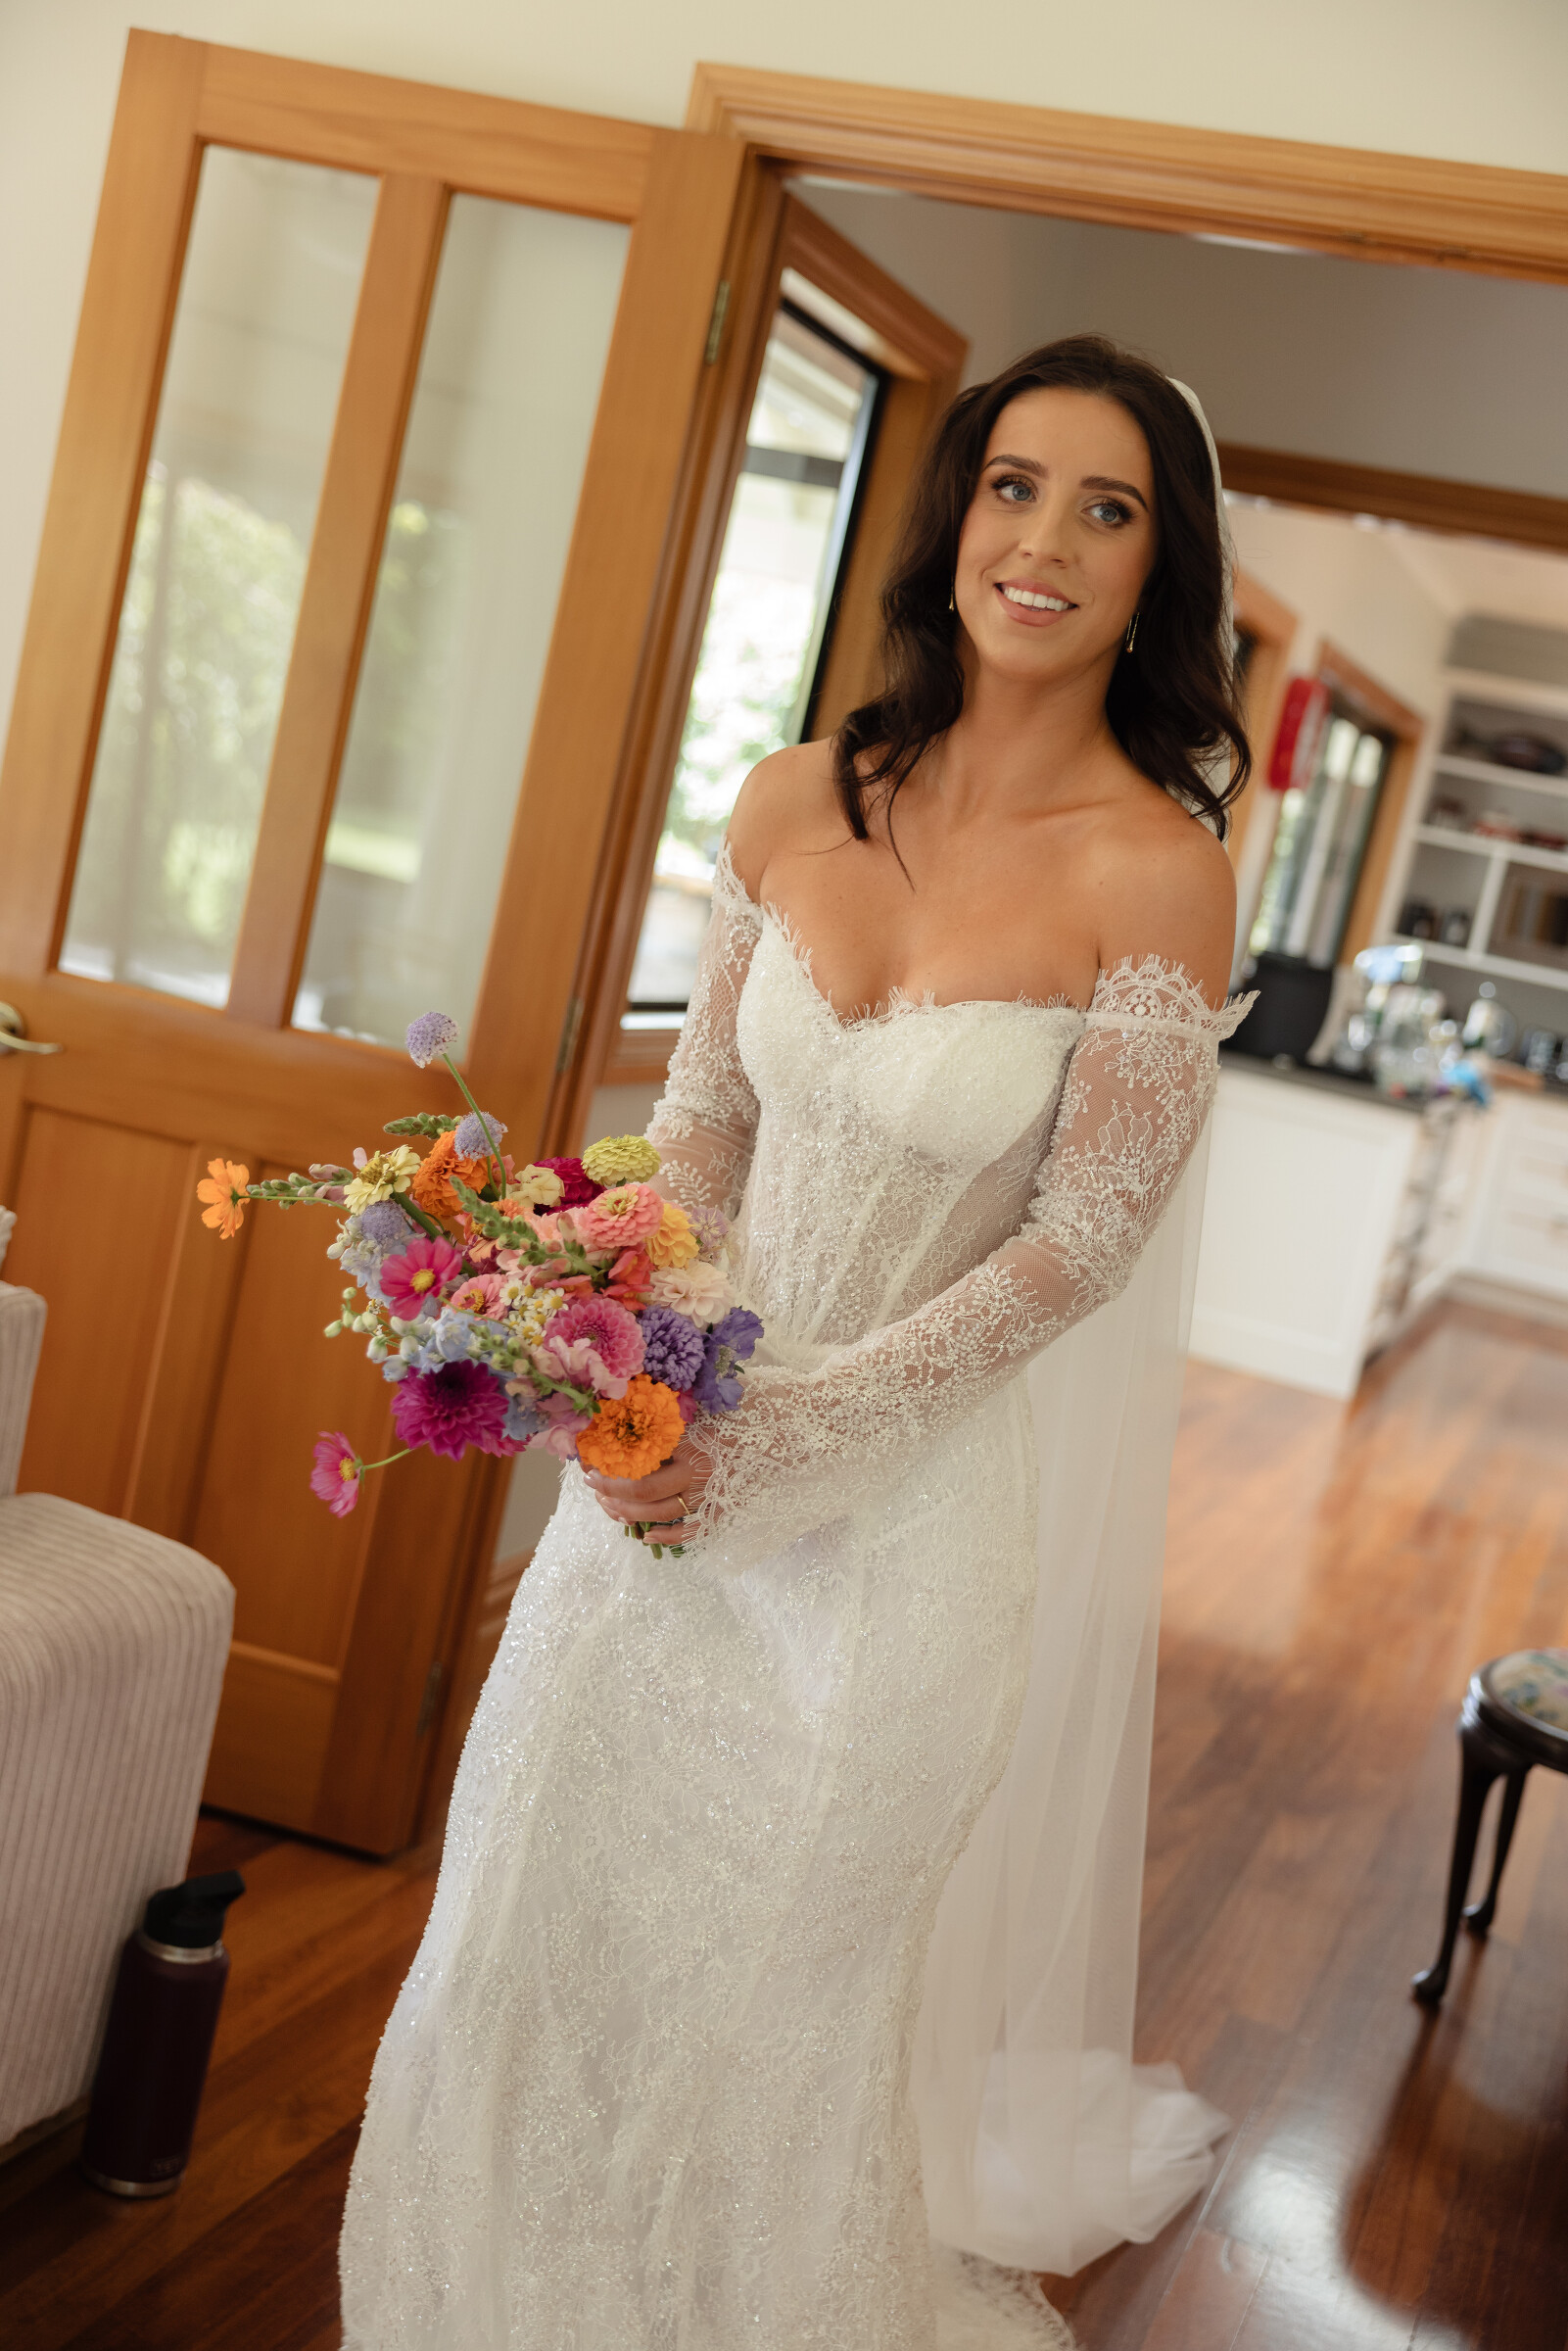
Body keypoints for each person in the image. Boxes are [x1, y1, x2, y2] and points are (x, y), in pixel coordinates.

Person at [340, 334, 1252, 2349]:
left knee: (763, 2012)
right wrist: (645, 1380)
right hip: (655, 1501)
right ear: (954, 520)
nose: (1044, 542)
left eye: (1106, 509)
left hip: (902, 1545)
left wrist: (795, 1438)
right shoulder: (791, 795)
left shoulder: (1158, 874)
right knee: (526, 1944)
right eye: (1013, 486)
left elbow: (1077, 1250)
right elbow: (701, 1135)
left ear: (1154, 571)